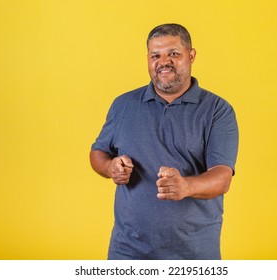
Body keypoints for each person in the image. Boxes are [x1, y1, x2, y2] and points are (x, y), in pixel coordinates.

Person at [90, 23, 238, 260]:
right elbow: (98, 152)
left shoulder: (217, 110)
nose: (164, 62)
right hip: (127, 251)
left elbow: (222, 178)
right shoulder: (123, 105)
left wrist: (186, 187)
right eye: (155, 55)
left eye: (174, 54)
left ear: (191, 56)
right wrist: (110, 167)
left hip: (193, 254)